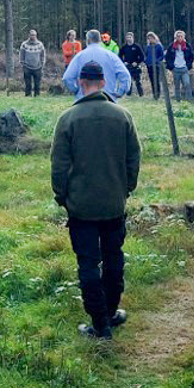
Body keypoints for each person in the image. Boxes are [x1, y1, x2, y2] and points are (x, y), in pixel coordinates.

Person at [51, 61, 141, 339]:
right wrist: (126, 188)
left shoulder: (68, 119)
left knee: (88, 263)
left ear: (81, 82)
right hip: (114, 203)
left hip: (81, 207)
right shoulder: (123, 116)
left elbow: (59, 166)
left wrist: (62, 196)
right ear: (103, 83)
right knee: (114, 257)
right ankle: (111, 311)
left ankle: (100, 323)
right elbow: (133, 159)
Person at [63, 30, 131, 100]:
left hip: (84, 100)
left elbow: (67, 78)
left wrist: (76, 90)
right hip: (107, 99)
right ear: (100, 41)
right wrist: (120, 92)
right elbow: (125, 75)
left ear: (88, 41)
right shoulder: (111, 56)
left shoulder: (79, 56)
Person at [165, 30, 194, 101]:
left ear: (183, 37)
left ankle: (189, 100)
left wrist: (188, 66)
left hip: (184, 68)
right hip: (175, 69)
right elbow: (167, 57)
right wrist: (171, 67)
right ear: (175, 37)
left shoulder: (187, 46)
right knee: (177, 85)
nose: (180, 38)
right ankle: (178, 100)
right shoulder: (171, 46)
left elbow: (191, 57)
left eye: (181, 36)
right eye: (178, 36)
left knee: (187, 84)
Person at [19, 29, 46, 97]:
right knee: (28, 83)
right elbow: (21, 54)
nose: (33, 36)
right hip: (27, 66)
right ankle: (28, 95)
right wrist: (22, 63)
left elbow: (43, 55)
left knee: (37, 83)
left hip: (38, 66)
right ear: (29, 35)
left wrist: (42, 63)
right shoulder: (24, 44)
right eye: (31, 35)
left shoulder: (40, 44)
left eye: (34, 35)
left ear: (36, 36)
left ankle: (37, 96)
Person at [119, 32, 145, 97]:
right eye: (127, 37)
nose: (129, 39)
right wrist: (124, 62)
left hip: (135, 66)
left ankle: (141, 94)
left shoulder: (137, 46)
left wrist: (137, 62)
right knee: (128, 81)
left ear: (133, 38)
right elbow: (119, 56)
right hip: (127, 66)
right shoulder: (124, 47)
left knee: (138, 82)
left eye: (130, 37)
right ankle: (128, 94)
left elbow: (142, 57)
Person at [144, 32, 165, 100]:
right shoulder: (148, 46)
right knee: (152, 80)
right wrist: (146, 61)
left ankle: (158, 94)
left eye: (151, 38)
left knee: (156, 80)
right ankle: (154, 94)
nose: (150, 39)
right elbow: (146, 55)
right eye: (149, 38)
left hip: (156, 66)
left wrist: (157, 61)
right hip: (149, 65)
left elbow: (162, 56)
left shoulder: (159, 46)